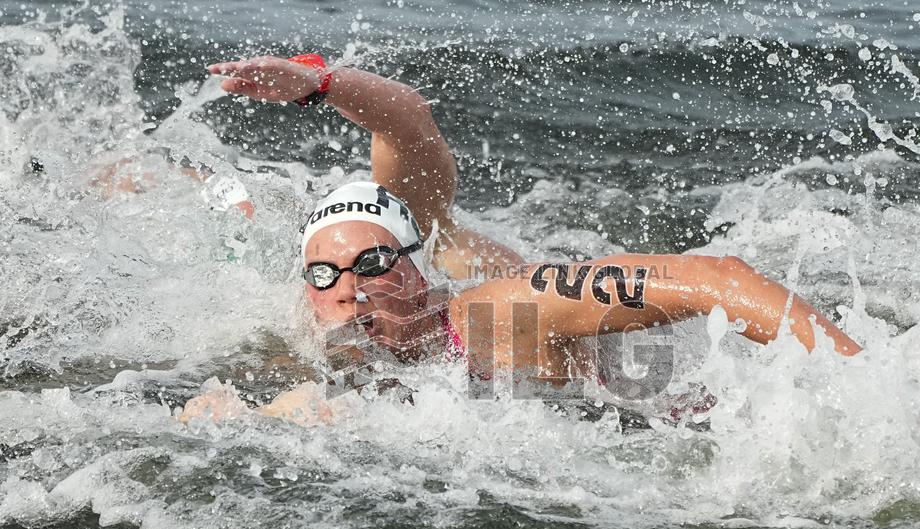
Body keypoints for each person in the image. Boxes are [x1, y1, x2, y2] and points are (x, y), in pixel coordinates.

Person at [179, 54, 861, 425]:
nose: (350, 290)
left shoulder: (501, 313)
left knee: (440, 219)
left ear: (416, 270)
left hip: (628, 383)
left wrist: (861, 383)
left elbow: (719, 279)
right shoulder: (305, 326)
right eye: (325, 274)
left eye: (374, 263)